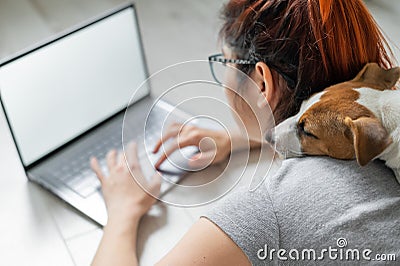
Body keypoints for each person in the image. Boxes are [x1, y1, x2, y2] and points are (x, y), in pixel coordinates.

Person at [90, 0, 400, 265]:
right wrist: (245, 140)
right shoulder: (384, 121)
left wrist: (122, 213)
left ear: (261, 83)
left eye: (225, 61)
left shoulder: (271, 206)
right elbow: (334, 135)